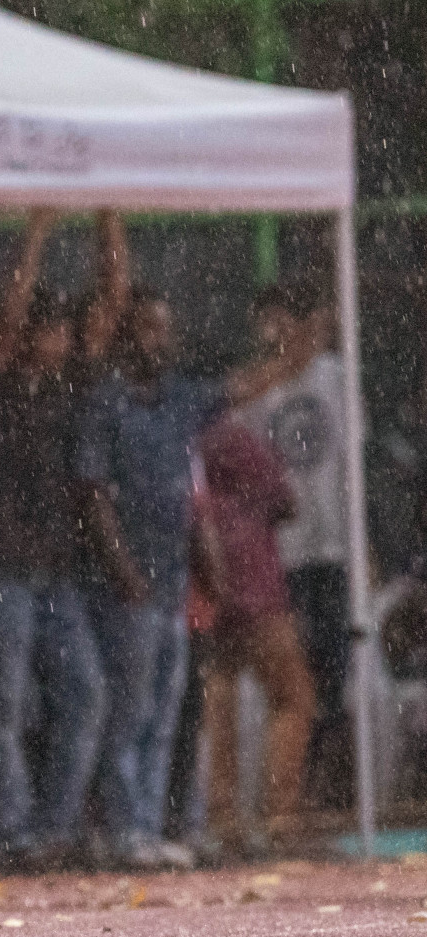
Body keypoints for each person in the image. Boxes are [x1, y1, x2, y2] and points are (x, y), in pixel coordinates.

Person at [78, 287, 299, 869]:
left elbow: (239, 390)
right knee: (128, 710)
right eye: (148, 329)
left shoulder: (180, 400)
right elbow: (93, 493)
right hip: (130, 583)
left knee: (164, 708)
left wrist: (292, 357)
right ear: (127, 335)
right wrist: (121, 565)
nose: (160, 340)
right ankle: (124, 828)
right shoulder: (107, 403)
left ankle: (149, 827)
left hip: (174, 578)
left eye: (165, 329)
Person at [0, 287, 108, 870]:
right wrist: (40, 227)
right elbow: (7, 320)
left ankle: (51, 828)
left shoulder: (68, 390)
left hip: (55, 571)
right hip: (3, 566)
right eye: (53, 330)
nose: (65, 341)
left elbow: (105, 312)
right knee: (6, 705)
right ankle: (19, 832)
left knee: (84, 695)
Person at [237, 282, 352, 811]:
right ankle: (284, 796)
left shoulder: (337, 378)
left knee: (332, 675)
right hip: (280, 556)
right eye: (267, 323)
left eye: (285, 320)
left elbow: (353, 462)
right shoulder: (259, 388)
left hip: (331, 549)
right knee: (292, 678)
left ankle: (322, 791)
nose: (277, 333)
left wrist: (360, 543)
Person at [197, 414, 316, 856]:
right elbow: (286, 502)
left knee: (220, 703)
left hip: (212, 588)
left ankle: (223, 821)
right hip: (257, 587)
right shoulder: (237, 435)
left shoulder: (190, 436)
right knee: (293, 697)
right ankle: (279, 817)